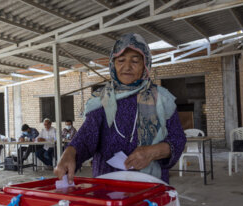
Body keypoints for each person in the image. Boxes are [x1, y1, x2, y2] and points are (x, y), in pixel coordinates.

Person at [54, 33, 186, 184]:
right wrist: (70, 152)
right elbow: (87, 137)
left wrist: (153, 152)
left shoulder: (162, 99)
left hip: (150, 185)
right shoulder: (101, 99)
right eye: (121, 60)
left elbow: (178, 139)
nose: (127, 67)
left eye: (135, 61)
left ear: (146, 64)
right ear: (112, 64)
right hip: (108, 185)